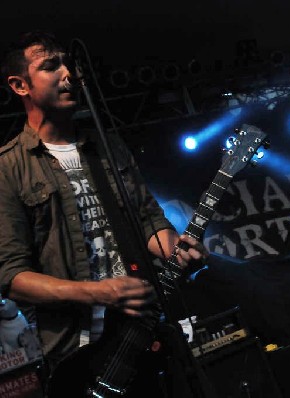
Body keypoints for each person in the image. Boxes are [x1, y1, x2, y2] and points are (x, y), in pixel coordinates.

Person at [0, 31, 208, 376]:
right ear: (20, 86)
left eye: (69, 64)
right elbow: (11, 276)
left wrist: (178, 250)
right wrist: (98, 292)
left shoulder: (107, 147)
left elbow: (148, 221)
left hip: (145, 326)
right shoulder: (8, 168)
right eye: (52, 66)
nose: (69, 74)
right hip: (75, 350)